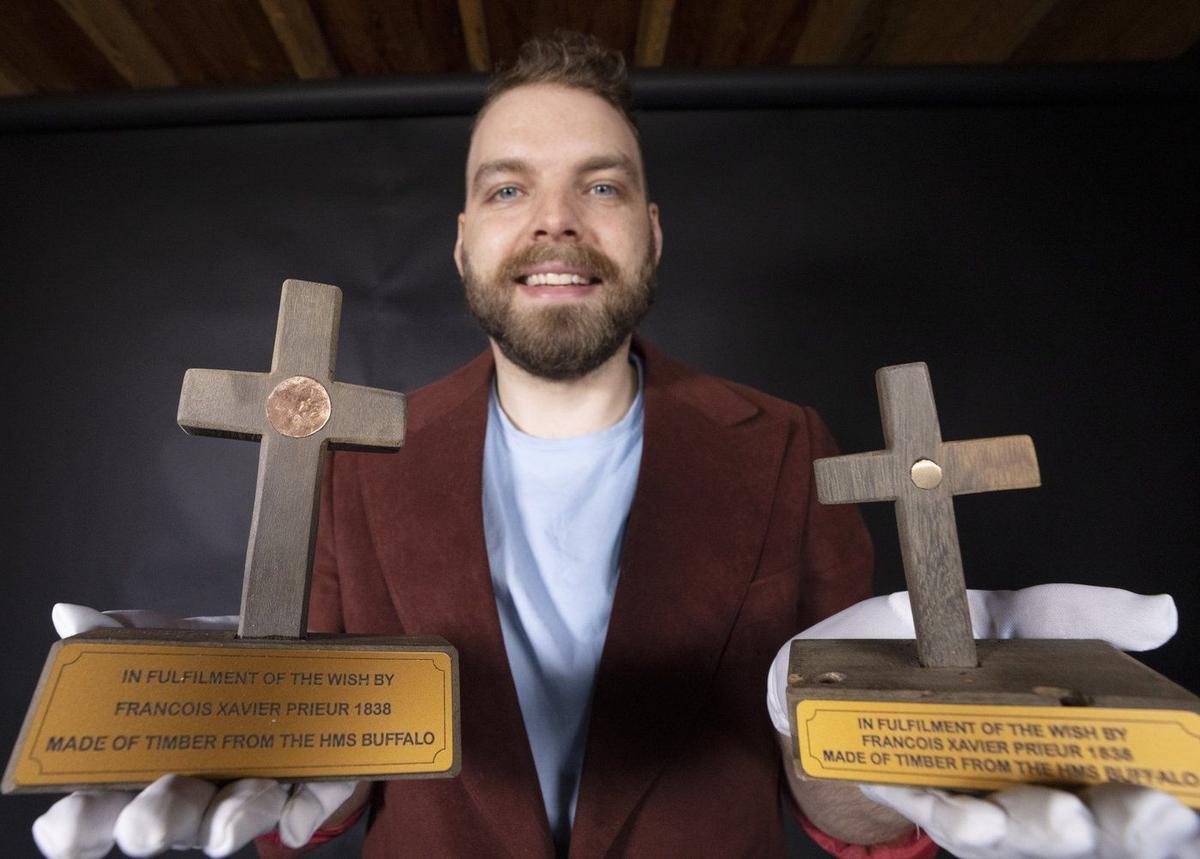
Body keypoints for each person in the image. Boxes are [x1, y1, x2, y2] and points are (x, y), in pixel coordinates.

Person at [33, 32, 1196, 859]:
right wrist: (257, 759)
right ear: (459, 242)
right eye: (508, 188)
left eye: (600, 184)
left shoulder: (790, 449)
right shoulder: (351, 459)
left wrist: (890, 778)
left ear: (648, 232)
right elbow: (334, 779)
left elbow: (830, 793)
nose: (555, 220)